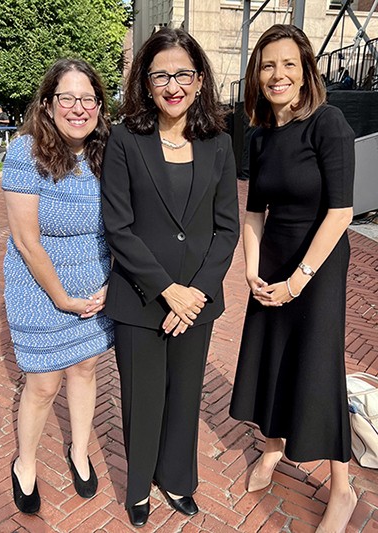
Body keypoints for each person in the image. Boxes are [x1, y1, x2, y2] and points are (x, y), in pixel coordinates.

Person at [101, 27, 239, 527]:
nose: (173, 84)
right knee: (141, 397)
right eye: (161, 75)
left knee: (185, 393)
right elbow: (118, 225)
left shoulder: (219, 143)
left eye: (182, 73)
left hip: (197, 302)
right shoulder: (124, 140)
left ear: (199, 80)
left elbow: (227, 229)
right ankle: (139, 485)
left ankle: (177, 478)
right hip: (141, 298)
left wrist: (197, 292)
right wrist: (167, 290)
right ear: (146, 82)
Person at [229, 24, 357, 533]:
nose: (277, 74)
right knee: (271, 355)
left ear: (306, 72)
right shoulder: (260, 136)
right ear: (256, 76)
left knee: (317, 365)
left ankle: (342, 488)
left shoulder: (329, 124)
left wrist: (298, 280)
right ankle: (273, 447)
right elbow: (254, 213)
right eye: (267, 65)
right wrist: (251, 271)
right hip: (273, 261)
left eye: (287, 64)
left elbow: (341, 212)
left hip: (318, 265)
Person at [2, 58, 114, 514]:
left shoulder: (106, 152)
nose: (78, 107)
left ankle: (79, 449)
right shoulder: (25, 152)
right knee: (44, 384)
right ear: (48, 105)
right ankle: (24, 464)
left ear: (99, 107)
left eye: (88, 98)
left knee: (86, 370)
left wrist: (110, 282)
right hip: (39, 286)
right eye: (66, 97)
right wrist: (60, 296)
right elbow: (27, 241)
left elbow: (120, 225)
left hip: (95, 284)